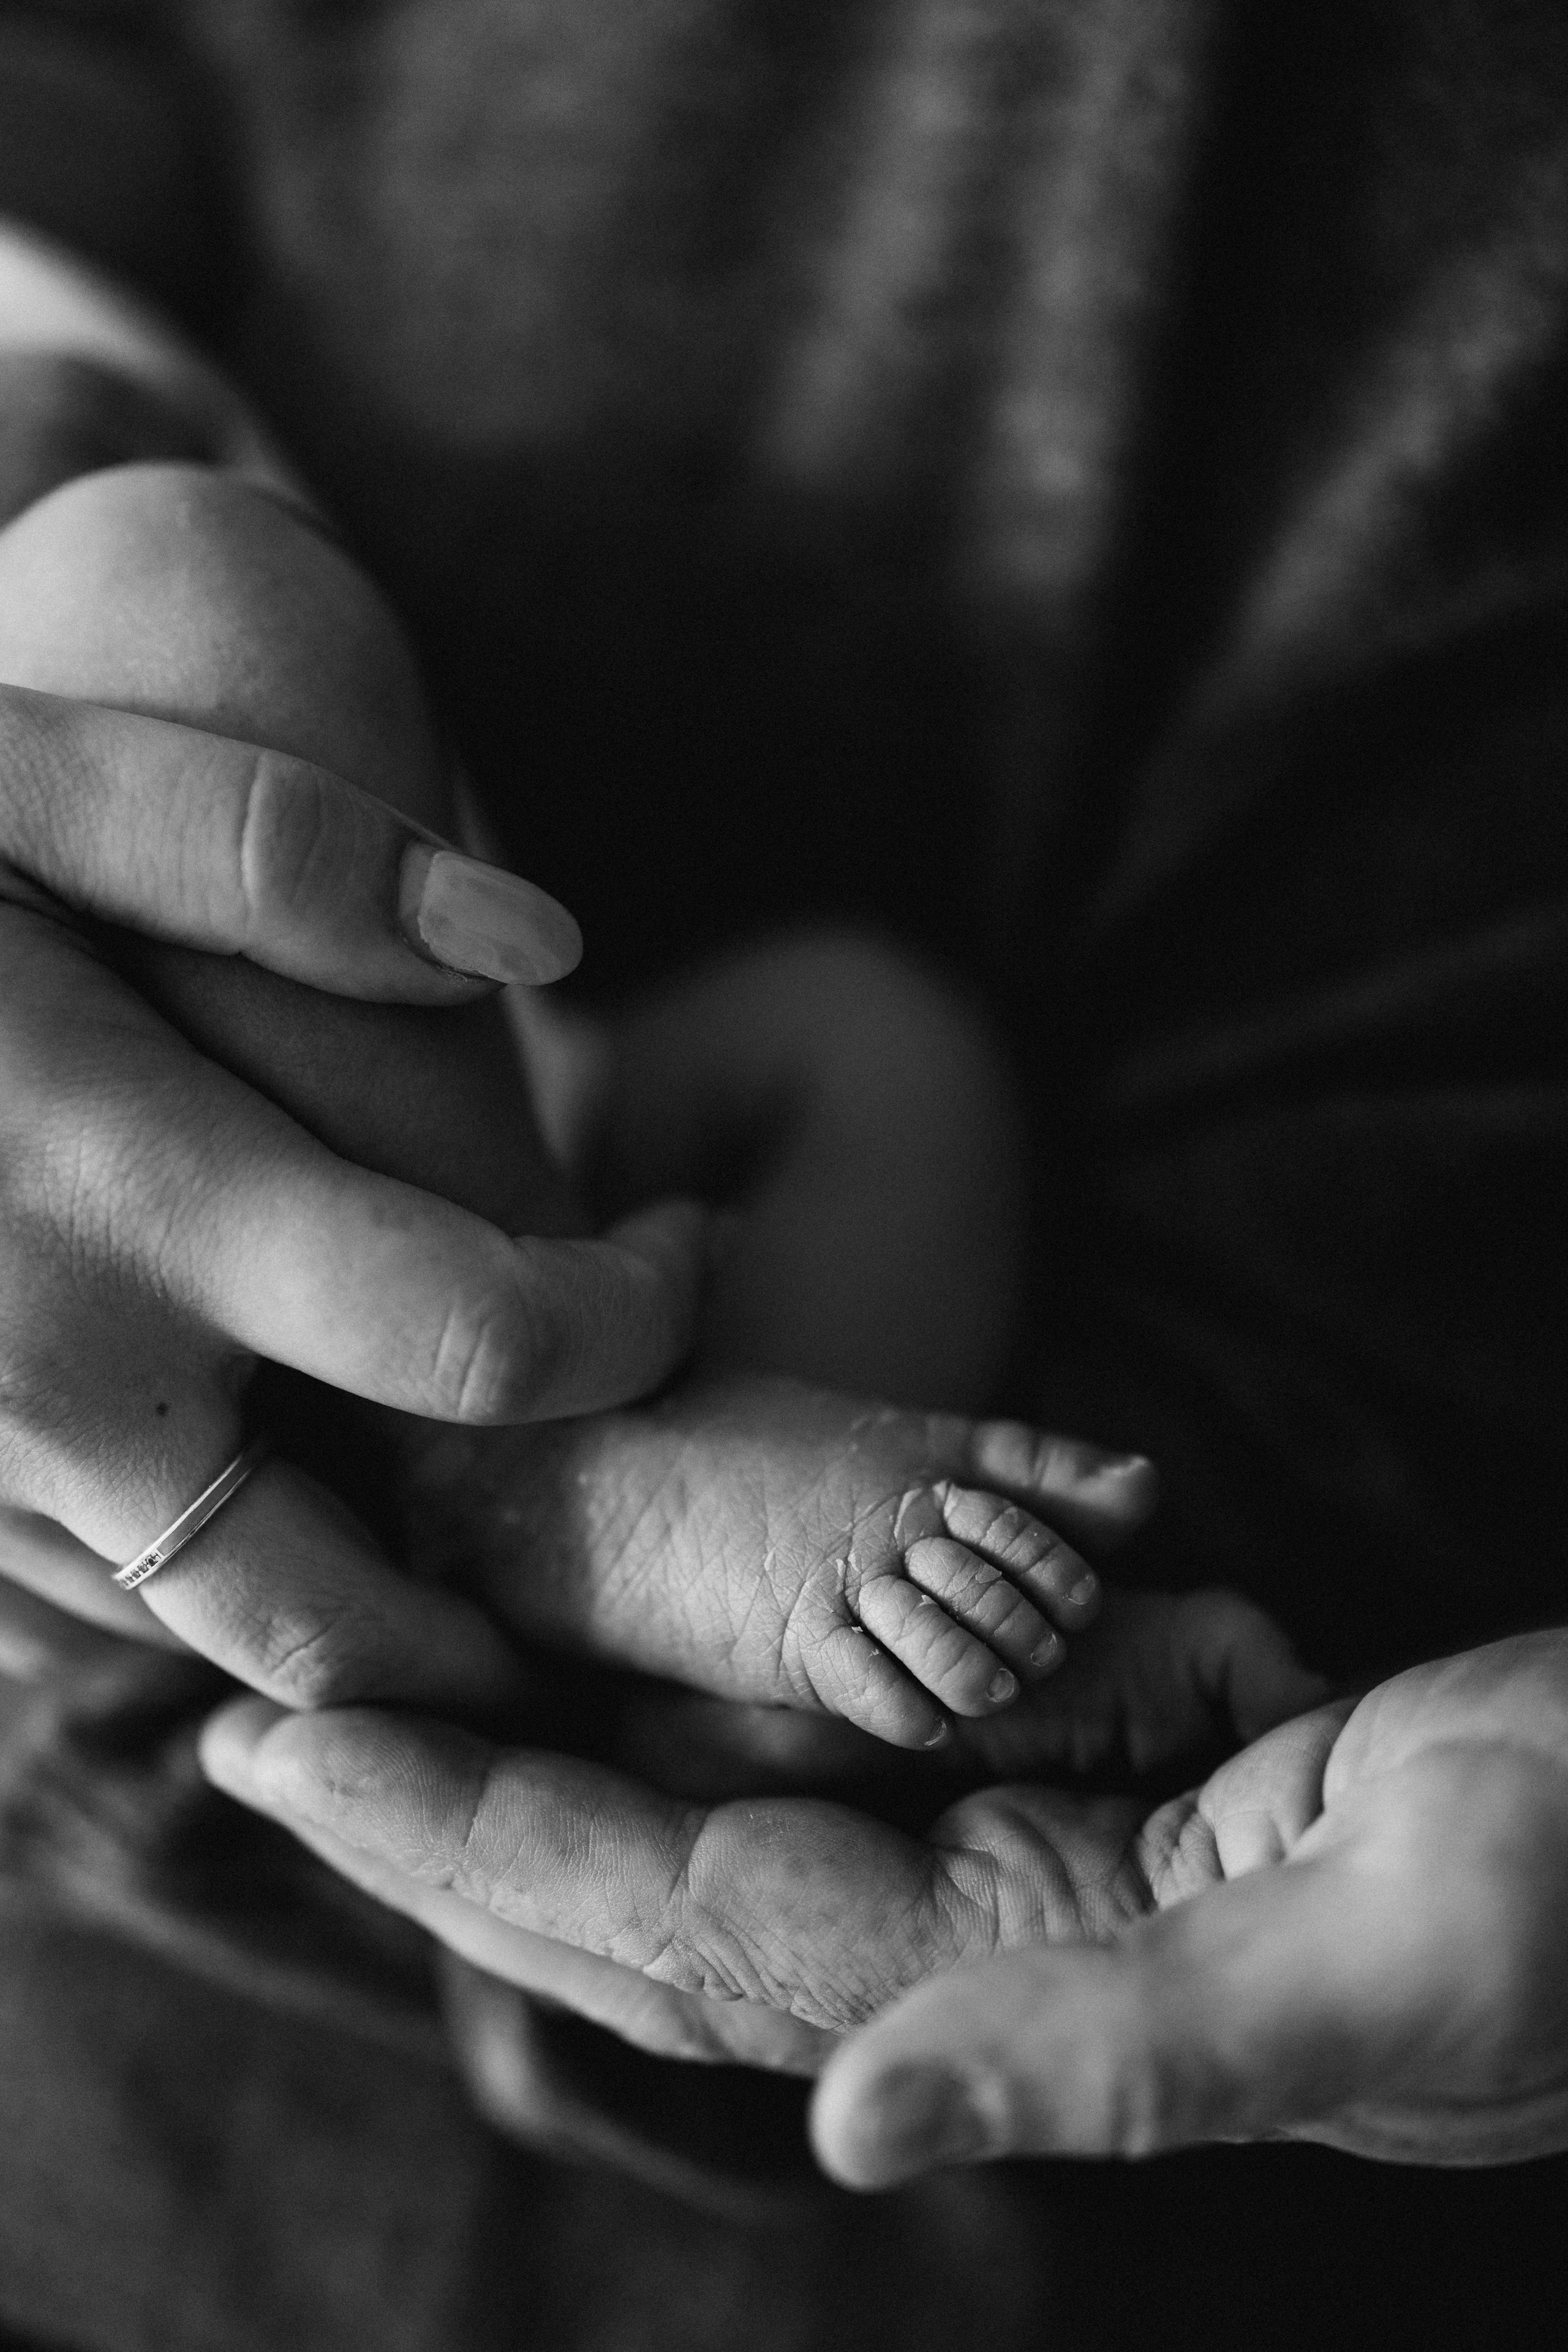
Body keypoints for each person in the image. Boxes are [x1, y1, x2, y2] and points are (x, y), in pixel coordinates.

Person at [1, 4, 1566, 2349]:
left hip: (526, 1121)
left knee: (859, 1036)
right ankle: (565, 1513)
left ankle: (619, 1532)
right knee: (177, 600)